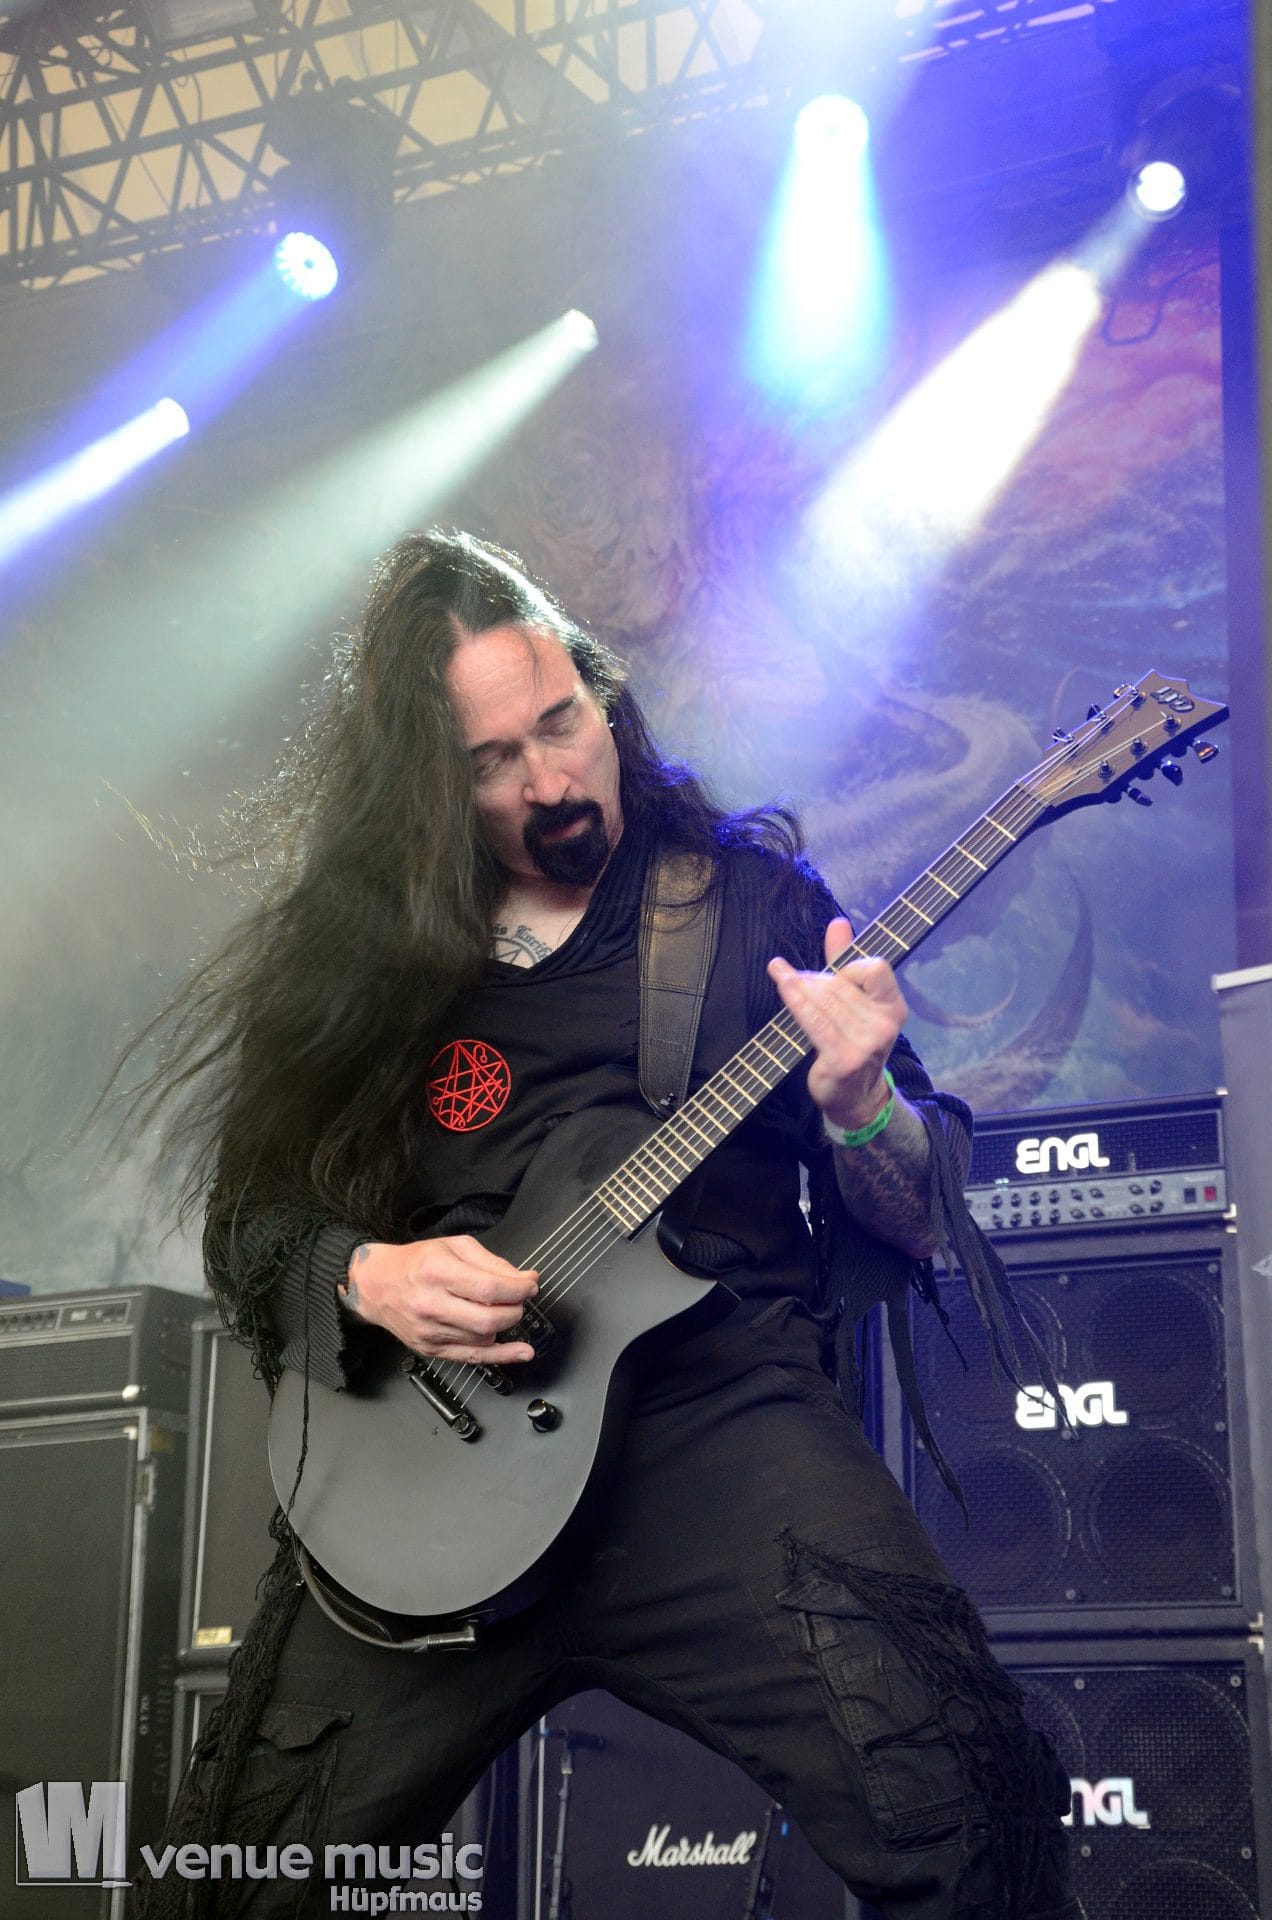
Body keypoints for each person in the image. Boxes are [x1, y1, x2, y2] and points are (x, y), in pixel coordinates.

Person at [136, 529, 1082, 1920]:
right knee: (230, 1886)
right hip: (429, 1469)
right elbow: (250, 1221)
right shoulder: (359, 957)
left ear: (600, 691)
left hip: (717, 1431)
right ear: (423, 787)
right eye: (490, 763)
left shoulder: (750, 906)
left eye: (561, 723)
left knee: (973, 1816)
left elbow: (918, 1213)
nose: (550, 779)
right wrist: (368, 1273)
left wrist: (860, 1103)